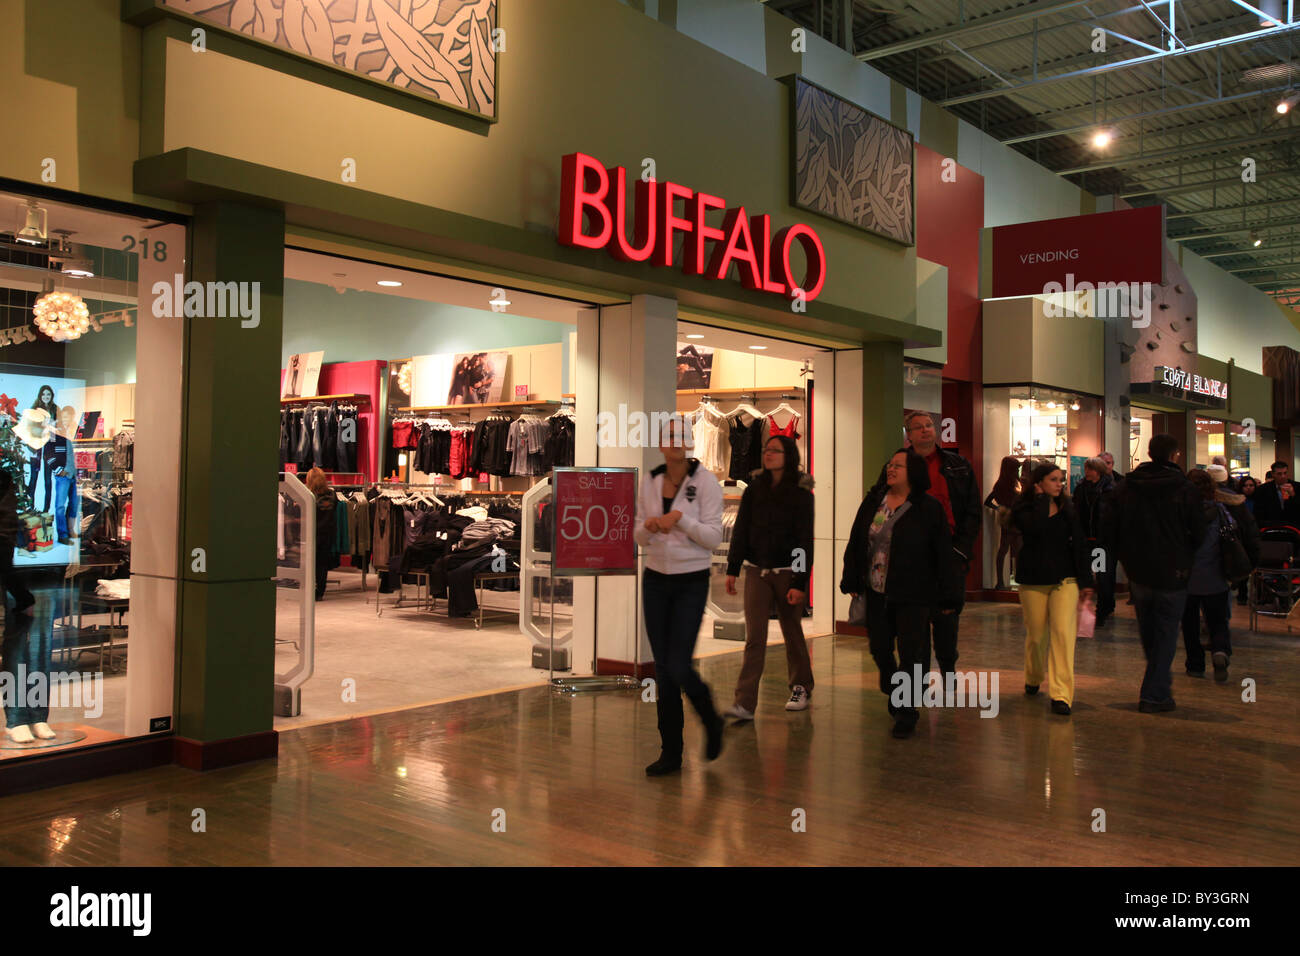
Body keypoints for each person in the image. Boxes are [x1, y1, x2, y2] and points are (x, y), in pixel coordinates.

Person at [843, 448, 957, 739]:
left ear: (913, 473)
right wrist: (851, 577)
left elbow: (942, 553)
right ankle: (891, 683)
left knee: (912, 653)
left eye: (899, 466)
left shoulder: (928, 508)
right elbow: (858, 539)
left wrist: (949, 595)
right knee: (880, 649)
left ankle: (907, 711)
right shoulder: (873, 502)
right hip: (876, 590)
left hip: (914, 592)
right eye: (890, 464)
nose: (891, 469)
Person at [634, 416, 725, 776]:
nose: (675, 440)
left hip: (691, 580)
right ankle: (671, 751)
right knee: (663, 670)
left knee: (678, 664)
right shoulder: (650, 480)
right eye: (668, 435)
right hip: (655, 579)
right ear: (660, 442)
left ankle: (710, 718)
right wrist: (650, 527)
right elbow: (638, 536)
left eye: (681, 435)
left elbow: (714, 538)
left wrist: (680, 521)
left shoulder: (706, 482)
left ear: (690, 441)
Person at [1103, 434, 1206, 713]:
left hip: (1138, 571)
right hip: (1173, 571)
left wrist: (1124, 555)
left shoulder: (1126, 487)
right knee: (1165, 633)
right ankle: (1155, 693)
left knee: (1151, 632)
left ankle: (1158, 686)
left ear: (1149, 453)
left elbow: (1108, 526)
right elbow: (1199, 531)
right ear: (1173, 455)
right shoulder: (1184, 489)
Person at [724, 434, 815, 718]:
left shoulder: (800, 492)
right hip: (756, 570)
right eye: (767, 450)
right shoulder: (754, 489)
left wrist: (800, 582)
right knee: (755, 637)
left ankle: (801, 685)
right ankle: (745, 702)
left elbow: (804, 540)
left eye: (775, 450)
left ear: (788, 455)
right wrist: (733, 567)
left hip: (788, 572)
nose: (768, 454)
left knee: (792, 630)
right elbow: (741, 529)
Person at [897, 411, 981, 680]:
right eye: (918, 427)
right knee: (914, 624)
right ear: (908, 434)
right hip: (912, 557)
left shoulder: (958, 465)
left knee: (946, 619)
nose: (925, 430)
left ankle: (947, 666)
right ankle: (916, 680)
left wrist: (961, 550)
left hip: (949, 552)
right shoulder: (898, 464)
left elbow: (972, 510)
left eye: (929, 426)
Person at [1013, 463, 1095, 715]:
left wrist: (1086, 581)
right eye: (1053, 479)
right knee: (1037, 635)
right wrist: (1040, 500)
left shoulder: (1068, 508)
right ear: (1039, 483)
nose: (1059, 484)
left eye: (1061, 479)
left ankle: (1061, 694)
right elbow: (1034, 529)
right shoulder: (1024, 508)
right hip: (1033, 579)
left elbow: (1080, 544)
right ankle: (1034, 675)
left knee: (1062, 634)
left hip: (1065, 579)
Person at [1182, 469, 1259, 683]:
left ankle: (1195, 664)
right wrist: (1250, 563)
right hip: (1216, 576)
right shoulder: (1224, 510)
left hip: (1187, 579)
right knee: (1218, 620)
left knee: (1189, 624)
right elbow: (1248, 535)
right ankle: (1220, 650)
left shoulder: (1181, 513)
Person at [1073, 456, 1114, 625]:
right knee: (1085, 576)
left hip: (1101, 541)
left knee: (1102, 577)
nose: (1087, 471)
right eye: (1086, 468)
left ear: (1098, 471)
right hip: (1085, 540)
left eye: (1090, 469)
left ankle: (1102, 611)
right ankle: (1087, 612)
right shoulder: (1081, 488)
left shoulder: (1109, 489)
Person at [0, 469, 35, 614]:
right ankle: (24, 598)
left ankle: (24, 598)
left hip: (3, 537)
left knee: (6, 572)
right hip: (5, 537)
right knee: (6, 572)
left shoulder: (5, 496)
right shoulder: (8, 495)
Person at [984, 456, 1021, 591]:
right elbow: (988, 502)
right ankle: (1003, 581)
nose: (1017, 471)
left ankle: (1003, 581)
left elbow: (988, 502)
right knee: (1009, 550)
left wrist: (1000, 509)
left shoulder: (1005, 484)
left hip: (1011, 520)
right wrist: (1001, 509)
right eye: (1016, 469)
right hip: (1012, 521)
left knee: (1007, 550)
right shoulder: (1005, 485)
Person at [304, 467, 337, 601]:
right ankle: (320, 591)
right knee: (322, 565)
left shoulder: (308, 495)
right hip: (327, 534)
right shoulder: (332, 495)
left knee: (309, 563)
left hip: (312, 534)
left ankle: (309, 590)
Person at [25, 385, 58, 512]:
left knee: (48, 481)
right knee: (33, 479)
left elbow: (55, 433)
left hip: (49, 449)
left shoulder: (55, 410)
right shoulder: (34, 409)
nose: (45, 397)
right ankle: (30, 507)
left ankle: (46, 510)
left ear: (51, 396)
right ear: (40, 395)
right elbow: (29, 429)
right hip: (36, 448)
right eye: (43, 394)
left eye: (48, 394)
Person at [1252, 460, 1300, 526]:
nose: (1283, 476)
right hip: (1271, 526)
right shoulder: (1263, 489)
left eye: (1285, 473)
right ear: (1273, 474)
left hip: (1294, 526)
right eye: (1279, 474)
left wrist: (1293, 494)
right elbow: (1258, 513)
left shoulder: (1297, 486)